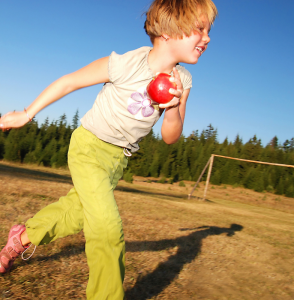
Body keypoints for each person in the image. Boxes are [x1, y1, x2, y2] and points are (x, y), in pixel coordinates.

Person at [0, 0, 218, 298]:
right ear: (168, 31)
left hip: (117, 161)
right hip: (89, 147)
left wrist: (172, 109)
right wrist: (27, 113)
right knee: (106, 229)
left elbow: (170, 136)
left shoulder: (184, 80)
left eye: (209, 30)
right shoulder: (127, 63)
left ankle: (21, 237)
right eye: (200, 29)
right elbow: (70, 82)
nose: (207, 37)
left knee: (77, 213)